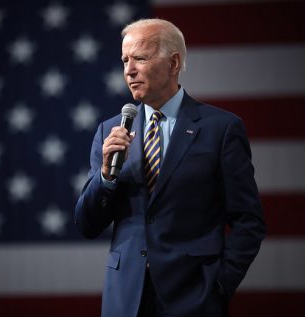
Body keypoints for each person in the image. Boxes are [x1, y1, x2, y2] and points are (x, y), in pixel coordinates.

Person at [75, 18, 266, 317]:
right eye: (125, 60)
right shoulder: (109, 130)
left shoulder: (221, 128)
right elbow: (87, 224)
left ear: (173, 63)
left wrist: (219, 285)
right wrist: (106, 176)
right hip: (125, 299)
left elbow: (249, 220)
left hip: (194, 298)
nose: (129, 70)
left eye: (140, 58)